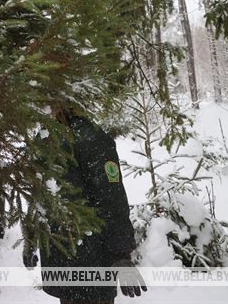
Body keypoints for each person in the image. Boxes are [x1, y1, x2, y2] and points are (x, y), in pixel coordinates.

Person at [23, 109, 147, 304]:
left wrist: (31, 237)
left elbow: (109, 197)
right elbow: (110, 198)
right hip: (82, 258)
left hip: (75, 258)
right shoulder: (82, 137)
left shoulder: (52, 136)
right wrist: (122, 253)